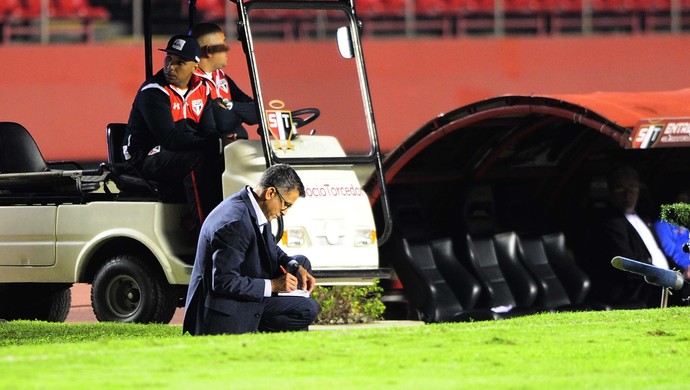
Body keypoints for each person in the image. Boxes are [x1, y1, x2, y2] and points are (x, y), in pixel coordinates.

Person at [183, 164, 319, 335]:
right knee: (308, 308)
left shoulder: (254, 205)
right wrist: (274, 285)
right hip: (222, 311)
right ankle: (258, 330)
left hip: (239, 288)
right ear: (270, 193)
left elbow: (270, 247)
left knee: (302, 262)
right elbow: (224, 281)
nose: (285, 212)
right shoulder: (236, 222)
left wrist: (294, 266)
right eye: (286, 205)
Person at [123, 34, 227, 227]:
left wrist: (221, 145)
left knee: (225, 160)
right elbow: (168, 139)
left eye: (179, 62)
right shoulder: (153, 91)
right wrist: (210, 144)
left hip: (173, 152)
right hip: (144, 157)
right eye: (168, 58)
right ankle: (208, 233)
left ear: (195, 67)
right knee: (197, 161)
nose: (170, 67)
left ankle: (229, 224)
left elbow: (209, 130)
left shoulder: (203, 89)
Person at [587, 165, 669, 306]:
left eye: (632, 188)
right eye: (620, 189)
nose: (627, 194)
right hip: (640, 289)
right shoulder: (611, 223)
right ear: (611, 192)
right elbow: (626, 264)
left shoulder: (645, 219)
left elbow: (659, 252)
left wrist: (681, 271)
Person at [191, 23, 258, 141]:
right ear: (209, 50)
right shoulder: (191, 81)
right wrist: (240, 113)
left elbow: (256, 113)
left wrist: (230, 106)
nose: (227, 48)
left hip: (236, 145)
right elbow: (222, 121)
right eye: (223, 44)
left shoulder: (220, 76)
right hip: (214, 149)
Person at [654, 189, 690, 279]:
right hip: (678, 276)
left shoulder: (686, 229)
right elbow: (669, 255)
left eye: (687, 201)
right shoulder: (662, 225)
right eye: (680, 200)